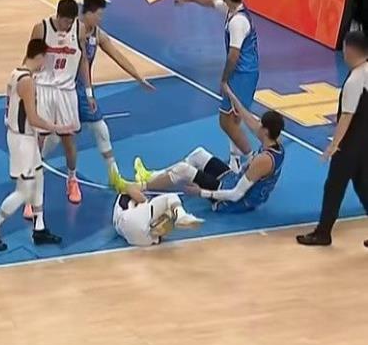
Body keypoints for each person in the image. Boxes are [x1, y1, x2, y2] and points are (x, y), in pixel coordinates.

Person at [112, 85, 285, 213]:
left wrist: (201, 193)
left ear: (266, 131)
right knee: (199, 154)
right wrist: (232, 95)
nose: (257, 125)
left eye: (260, 124)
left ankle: (137, 186)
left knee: (183, 170)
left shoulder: (263, 161)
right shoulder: (275, 141)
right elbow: (250, 121)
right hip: (233, 179)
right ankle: (153, 175)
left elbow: (236, 195)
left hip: (234, 201)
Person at [40, 0, 155, 183]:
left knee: (91, 129)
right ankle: (36, 163)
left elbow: (117, 55)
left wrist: (138, 77)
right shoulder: (71, 31)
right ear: (87, 13)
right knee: (66, 133)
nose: (101, 19)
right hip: (65, 89)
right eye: (99, 15)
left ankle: (114, 175)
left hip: (80, 89)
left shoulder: (97, 34)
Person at [0, 39, 74, 251]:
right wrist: (57, 127)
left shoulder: (15, 73)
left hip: (22, 136)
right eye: (44, 59)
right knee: (24, 191)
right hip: (22, 140)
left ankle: (39, 228)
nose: (44, 64)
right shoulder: (27, 82)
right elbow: (33, 118)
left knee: (39, 177)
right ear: (39, 56)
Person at [175, 0, 260, 172]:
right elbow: (210, 2)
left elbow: (233, 56)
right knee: (234, 118)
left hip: (242, 74)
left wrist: (224, 80)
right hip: (248, 72)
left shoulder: (237, 22)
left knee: (225, 121)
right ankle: (235, 160)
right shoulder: (233, 9)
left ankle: (252, 159)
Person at [297, 32, 368, 247]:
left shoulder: (355, 80)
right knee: (364, 186)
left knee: (334, 187)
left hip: (350, 145)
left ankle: (323, 233)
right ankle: (323, 231)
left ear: (350, 50)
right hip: (365, 143)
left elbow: (347, 115)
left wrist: (334, 145)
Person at [28, 0, 95, 210]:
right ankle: (31, 193)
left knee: (68, 141)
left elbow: (83, 60)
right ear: (57, 16)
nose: (67, 26)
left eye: (71, 21)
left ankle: (72, 180)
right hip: (44, 89)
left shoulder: (80, 29)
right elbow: (29, 61)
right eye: (65, 21)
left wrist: (89, 92)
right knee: (38, 141)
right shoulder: (41, 29)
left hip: (67, 91)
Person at [113, 183, 203, 247]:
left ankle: (158, 229)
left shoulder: (119, 209)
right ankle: (181, 216)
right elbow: (133, 191)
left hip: (132, 238)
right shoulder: (127, 191)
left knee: (166, 212)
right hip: (138, 228)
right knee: (171, 197)